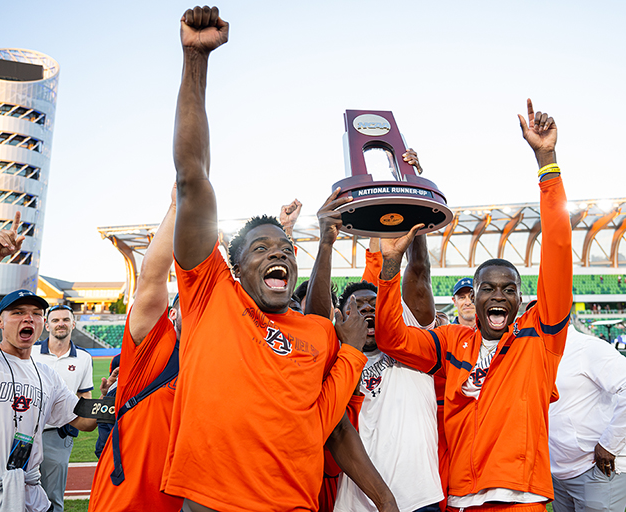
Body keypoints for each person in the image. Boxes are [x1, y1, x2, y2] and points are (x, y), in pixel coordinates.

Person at [161, 7, 388, 511]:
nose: (278, 254)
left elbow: (332, 430)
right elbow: (192, 176)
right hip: (212, 503)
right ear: (236, 268)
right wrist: (195, 61)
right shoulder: (211, 295)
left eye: (285, 249)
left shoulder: (319, 336)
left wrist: (386, 502)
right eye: (261, 249)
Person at [374, 99, 572, 511]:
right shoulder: (451, 341)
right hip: (460, 497)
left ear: (521, 299)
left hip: (520, 497)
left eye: (508, 289)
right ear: (474, 296)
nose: (498, 296)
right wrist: (389, 269)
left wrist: (547, 162)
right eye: (488, 289)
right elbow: (392, 339)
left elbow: (557, 247)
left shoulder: (539, 336)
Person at [307, 181, 443, 512]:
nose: (368, 310)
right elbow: (314, 319)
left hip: (419, 499)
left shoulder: (411, 342)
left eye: (374, 304)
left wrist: (413, 199)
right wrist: (325, 243)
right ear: (341, 318)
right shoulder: (337, 362)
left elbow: (419, 272)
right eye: (358, 307)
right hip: (356, 504)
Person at [0, 214, 97, 511]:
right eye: (17, 312)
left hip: (31, 494)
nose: (28, 318)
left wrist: (109, 401)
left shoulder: (47, 376)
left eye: (36, 313)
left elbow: (83, 419)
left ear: (42, 323)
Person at [89, 186, 184, 512]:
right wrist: (176, 208)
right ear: (172, 315)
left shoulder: (218, 359)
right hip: (128, 501)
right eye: (187, 304)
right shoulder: (155, 349)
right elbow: (151, 280)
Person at [548, 325, 626, 512]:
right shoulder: (538, 352)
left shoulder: (586, 347)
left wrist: (610, 445)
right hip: (559, 472)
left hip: (598, 468)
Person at [31, 305, 94, 512]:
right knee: (19, 491)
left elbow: (84, 396)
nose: (61, 324)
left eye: (66, 320)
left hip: (58, 433)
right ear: (47, 325)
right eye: (56, 320)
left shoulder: (84, 358)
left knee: (53, 497)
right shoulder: (31, 351)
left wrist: (77, 425)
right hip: (25, 432)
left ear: (73, 324)